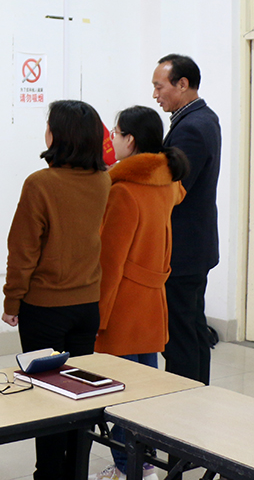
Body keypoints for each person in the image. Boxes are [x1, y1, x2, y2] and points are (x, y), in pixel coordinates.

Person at [2, 99, 111, 480]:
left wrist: (12, 299)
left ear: (58, 135)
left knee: (46, 398)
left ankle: (47, 474)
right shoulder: (103, 180)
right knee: (81, 396)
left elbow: (24, 249)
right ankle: (75, 471)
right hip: (87, 304)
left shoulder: (40, 183)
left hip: (44, 308)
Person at [91, 106, 188, 480]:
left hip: (123, 305)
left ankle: (128, 468)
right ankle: (146, 464)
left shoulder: (123, 190)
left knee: (120, 392)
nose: (111, 139)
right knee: (146, 388)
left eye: (115, 133)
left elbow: (111, 261)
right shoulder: (167, 183)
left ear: (130, 140)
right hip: (152, 301)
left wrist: (98, 316)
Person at [151, 54, 221, 385]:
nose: (155, 94)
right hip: (196, 246)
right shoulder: (203, 117)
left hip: (183, 249)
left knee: (180, 334)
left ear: (182, 84)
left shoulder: (191, 128)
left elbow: (174, 189)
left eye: (159, 86)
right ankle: (198, 393)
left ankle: (184, 398)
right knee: (192, 327)